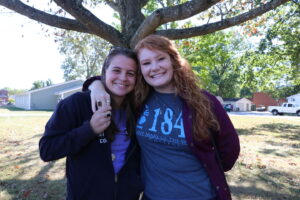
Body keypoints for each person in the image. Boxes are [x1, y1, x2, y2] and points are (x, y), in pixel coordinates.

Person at [83, 35, 240, 200]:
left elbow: (229, 148)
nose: (155, 67)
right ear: (140, 71)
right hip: (152, 196)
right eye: (146, 63)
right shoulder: (138, 100)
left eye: (160, 59)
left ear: (173, 60)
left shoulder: (204, 101)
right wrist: (96, 85)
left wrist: (212, 166)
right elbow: (115, 82)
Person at [39, 47, 143, 200]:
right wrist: (89, 129)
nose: (123, 78)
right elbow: (47, 150)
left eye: (130, 73)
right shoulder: (77, 103)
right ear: (104, 72)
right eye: (116, 70)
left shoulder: (139, 108)